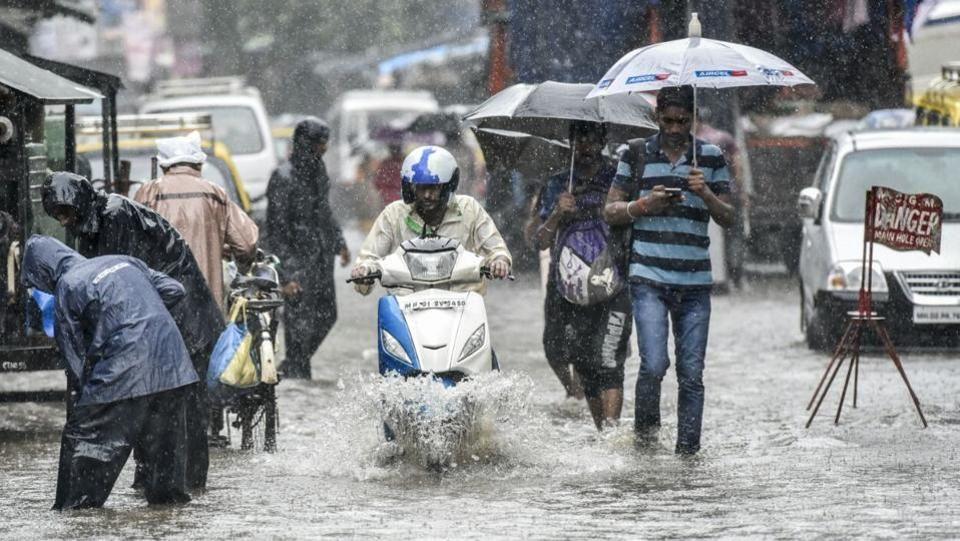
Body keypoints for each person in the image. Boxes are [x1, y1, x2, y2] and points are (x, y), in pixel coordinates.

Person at [41, 171, 223, 488]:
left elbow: (116, 279)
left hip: (183, 316)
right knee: (152, 397)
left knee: (184, 406)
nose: (63, 221)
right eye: (58, 216)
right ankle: (155, 479)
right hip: (161, 316)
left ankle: (189, 482)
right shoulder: (92, 224)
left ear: (79, 203)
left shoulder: (114, 215)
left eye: (65, 212)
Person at [603, 86, 734, 455]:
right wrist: (646, 204)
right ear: (657, 118)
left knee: (691, 374)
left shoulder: (710, 156)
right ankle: (645, 447)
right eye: (668, 120)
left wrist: (705, 193)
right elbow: (610, 211)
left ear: (694, 119)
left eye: (682, 120)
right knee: (654, 364)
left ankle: (687, 456)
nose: (675, 128)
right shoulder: (636, 153)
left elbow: (730, 218)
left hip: (694, 284)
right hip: (649, 279)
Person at [21, 235, 196, 510]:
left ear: (44, 273)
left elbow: (74, 358)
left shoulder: (68, 285)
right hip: (173, 366)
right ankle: (167, 518)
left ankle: (76, 514)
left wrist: (85, 396)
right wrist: (138, 313)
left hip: (124, 370)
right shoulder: (125, 261)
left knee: (84, 441)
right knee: (165, 467)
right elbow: (175, 289)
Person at [530, 122, 632, 429]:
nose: (584, 146)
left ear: (602, 141)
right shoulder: (558, 183)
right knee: (582, 361)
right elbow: (540, 240)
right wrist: (560, 211)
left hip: (612, 280)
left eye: (591, 139)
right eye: (579, 139)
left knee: (609, 358)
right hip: (570, 286)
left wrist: (611, 207)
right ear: (570, 143)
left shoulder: (619, 177)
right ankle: (603, 429)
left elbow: (633, 219)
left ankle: (613, 431)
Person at [351, 145, 512, 292]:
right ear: (411, 188)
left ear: (448, 186)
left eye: (433, 188)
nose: (427, 195)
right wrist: (363, 271)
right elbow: (369, 258)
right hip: (406, 307)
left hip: (462, 305)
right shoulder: (393, 214)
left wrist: (499, 261)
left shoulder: (469, 209)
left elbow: (496, 248)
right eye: (421, 188)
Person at [135, 131, 259, 311]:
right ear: (199, 164)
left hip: (163, 306)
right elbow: (247, 243)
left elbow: (133, 248)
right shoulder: (214, 194)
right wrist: (241, 267)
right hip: (207, 310)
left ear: (164, 165)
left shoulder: (147, 194)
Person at [266, 117, 350, 380]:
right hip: (297, 261)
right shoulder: (282, 178)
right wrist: (287, 276)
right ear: (307, 144)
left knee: (327, 315)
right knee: (299, 326)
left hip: (321, 258)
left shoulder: (318, 172)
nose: (325, 149)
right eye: (321, 144)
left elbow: (324, 211)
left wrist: (339, 242)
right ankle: (297, 377)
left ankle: (293, 366)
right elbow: (275, 231)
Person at [372, 140, 405, 207]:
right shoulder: (405, 164)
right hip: (402, 198)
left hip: (388, 198)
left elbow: (377, 182)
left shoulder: (385, 165)